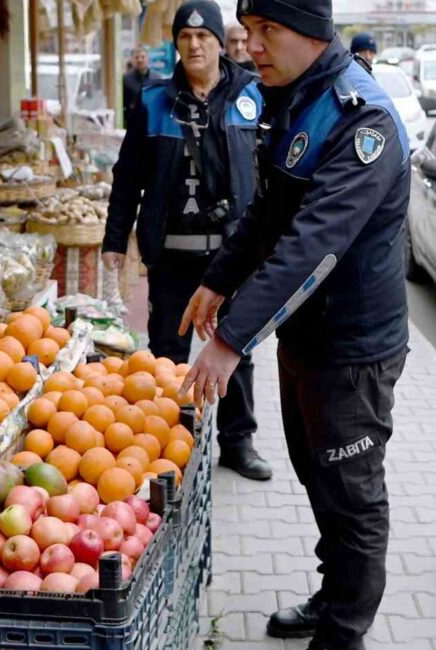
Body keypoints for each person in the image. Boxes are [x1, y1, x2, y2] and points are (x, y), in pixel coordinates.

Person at [179, 0, 409, 647]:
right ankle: (332, 592)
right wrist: (218, 279)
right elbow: (268, 214)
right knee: (317, 475)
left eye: (266, 31)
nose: (250, 46)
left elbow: (313, 245)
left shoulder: (363, 121)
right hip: (308, 339)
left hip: (355, 351)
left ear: (310, 32)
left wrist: (230, 341)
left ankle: (343, 632)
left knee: (353, 495)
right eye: (248, 31)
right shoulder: (296, 98)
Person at [104, 0, 272, 481]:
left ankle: (238, 443)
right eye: (185, 37)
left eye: (204, 37)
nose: (195, 45)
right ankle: (166, 443)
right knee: (166, 353)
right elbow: (127, 176)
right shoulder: (154, 100)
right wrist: (116, 238)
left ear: (220, 42)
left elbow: (272, 175)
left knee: (236, 348)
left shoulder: (253, 94)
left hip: (233, 256)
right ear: (175, 44)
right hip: (173, 257)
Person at [122, 45, 157, 121]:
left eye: (143, 57)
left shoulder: (156, 78)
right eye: (136, 57)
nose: (140, 60)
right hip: (132, 122)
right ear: (132, 60)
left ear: (148, 59)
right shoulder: (125, 79)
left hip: (151, 121)